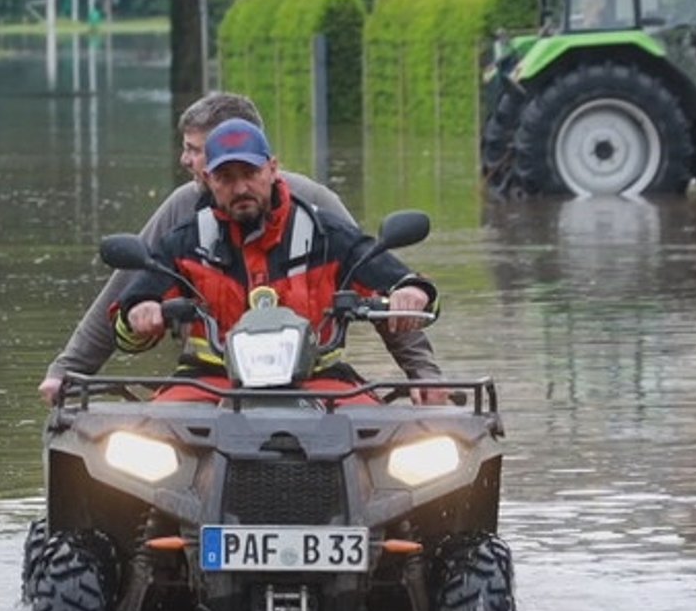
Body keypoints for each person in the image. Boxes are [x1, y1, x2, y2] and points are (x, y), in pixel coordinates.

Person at [38, 91, 445, 402]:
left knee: (395, 445)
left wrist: (422, 368)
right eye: (224, 175)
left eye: (193, 149)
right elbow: (128, 291)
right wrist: (72, 368)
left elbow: (380, 278)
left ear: (271, 167)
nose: (239, 187)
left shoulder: (323, 220)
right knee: (133, 447)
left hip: (318, 382)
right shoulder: (182, 225)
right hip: (208, 382)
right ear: (212, 177)